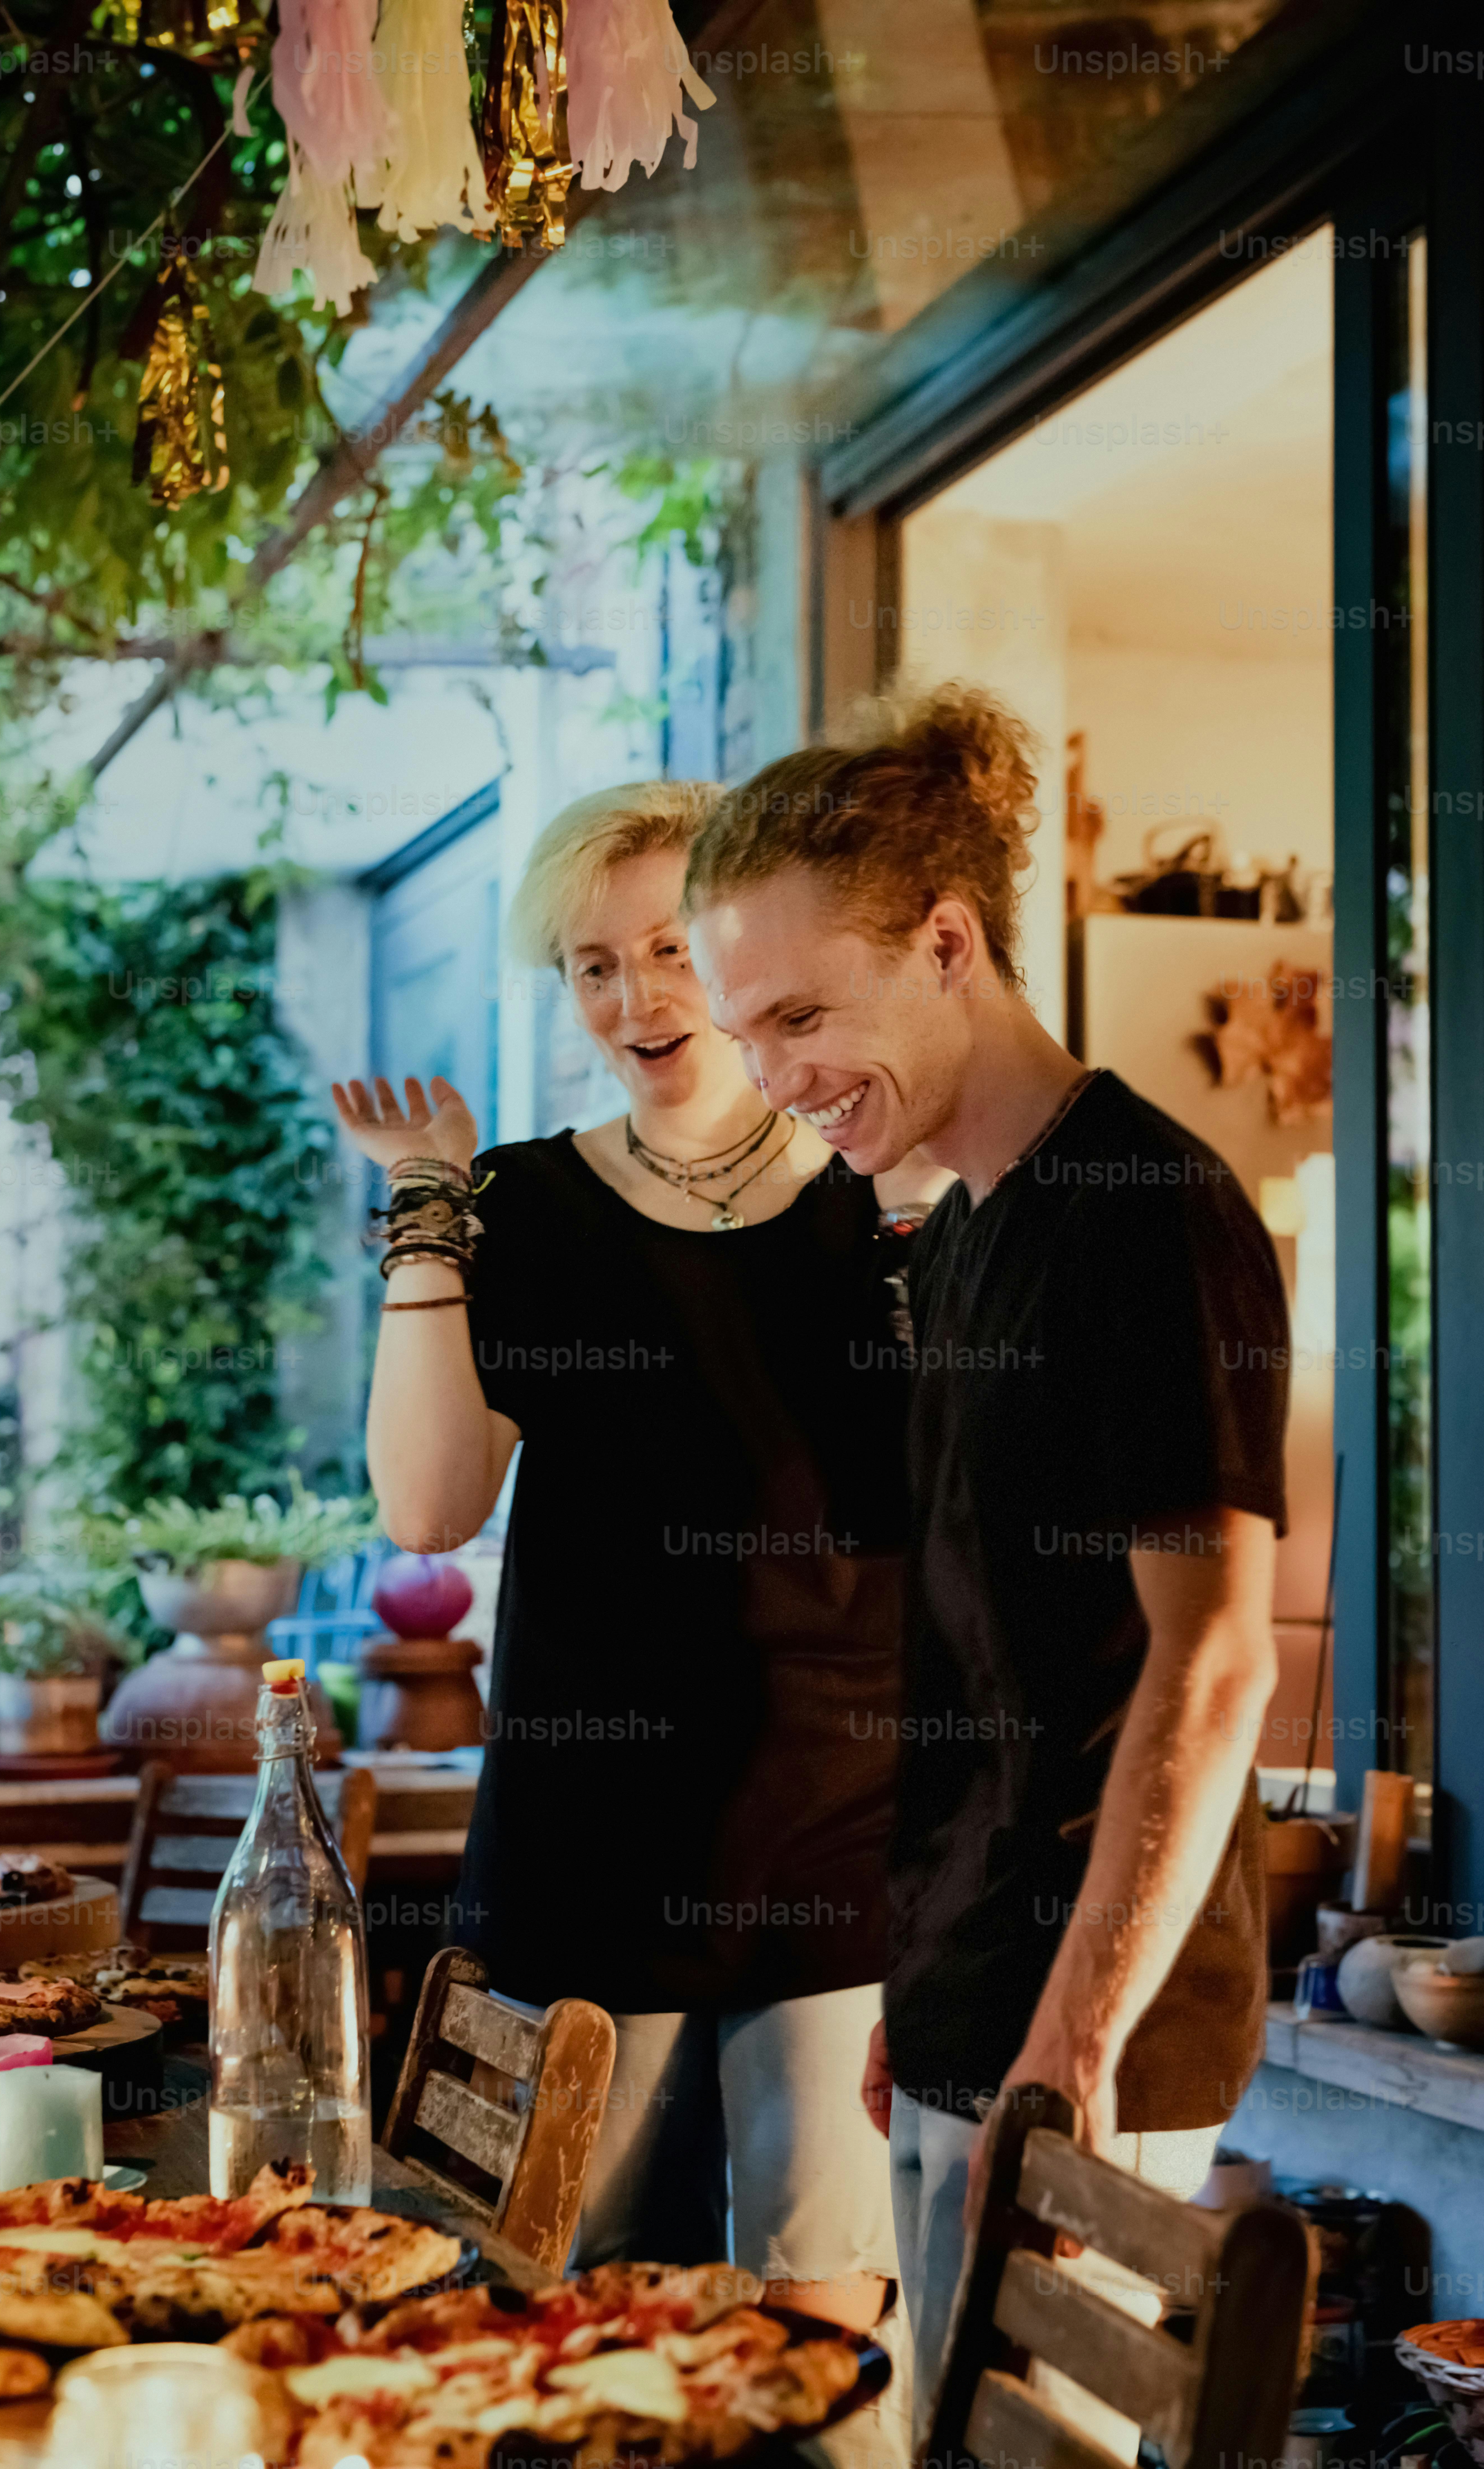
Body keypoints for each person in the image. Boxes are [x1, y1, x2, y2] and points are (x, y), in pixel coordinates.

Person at [683, 688, 1287, 2441]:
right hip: (975, 2003)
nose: (776, 1074)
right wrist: (921, 1972)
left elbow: (1215, 1662)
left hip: (1098, 2033)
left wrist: (1073, 2032)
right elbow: (971, 1663)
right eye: (749, 1028)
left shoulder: (1145, 1218)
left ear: (946, 942)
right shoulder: (953, 1242)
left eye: (802, 1014)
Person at [332, 781, 936, 2428]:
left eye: (668, 950)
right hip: (583, 1851)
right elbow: (426, 1506)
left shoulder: (883, 1200)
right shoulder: (516, 1206)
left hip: (840, 1840)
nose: (631, 999)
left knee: (821, 2366)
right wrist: (423, 1204)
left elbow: (958, 1530)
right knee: (551, 2350)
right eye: (591, 966)